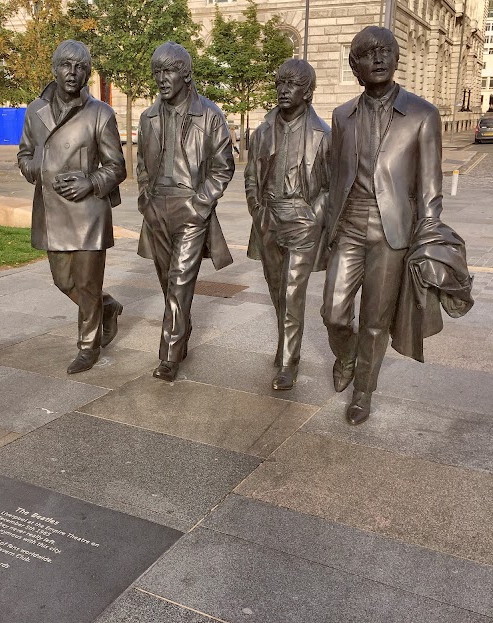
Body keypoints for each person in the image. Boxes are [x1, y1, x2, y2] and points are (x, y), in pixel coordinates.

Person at [322, 26, 444, 424]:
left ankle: (363, 390)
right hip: (350, 225)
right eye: (367, 53)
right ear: (355, 65)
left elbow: (429, 188)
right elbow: (334, 174)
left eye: (385, 51)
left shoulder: (423, 114)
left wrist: (427, 238)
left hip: (394, 232)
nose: (378, 58)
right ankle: (346, 354)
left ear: (396, 58)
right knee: (334, 312)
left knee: (375, 318)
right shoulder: (342, 116)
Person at [18, 40, 126, 374]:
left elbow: (117, 166)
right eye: (66, 64)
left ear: (87, 73)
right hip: (53, 213)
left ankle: (88, 346)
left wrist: (90, 182)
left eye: (80, 67)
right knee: (64, 281)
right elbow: (24, 154)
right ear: (55, 68)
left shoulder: (100, 114)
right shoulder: (35, 111)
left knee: (88, 284)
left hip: (88, 212)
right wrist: (37, 168)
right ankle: (107, 308)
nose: (73, 72)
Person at [136, 41, 235, 382]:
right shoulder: (147, 117)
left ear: (186, 73)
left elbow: (223, 167)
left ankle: (169, 355)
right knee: (168, 284)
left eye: (169, 71)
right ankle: (182, 332)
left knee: (179, 284)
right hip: (157, 209)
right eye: (157, 72)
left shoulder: (210, 115)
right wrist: (144, 201)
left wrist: (201, 203)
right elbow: (141, 166)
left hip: (191, 208)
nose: (162, 79)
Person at [245, 59, 330, 391]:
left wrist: (313, 217)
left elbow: (332, 187)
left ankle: (288, 363)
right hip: (268, 216)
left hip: (302, 219)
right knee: (277, 291)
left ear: (307, 93)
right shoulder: (263, 130)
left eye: (291, 85)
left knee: (293, 292)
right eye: (280, 83)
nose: (282, 90)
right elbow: (251, 176)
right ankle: (286, 344)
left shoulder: (323, 135)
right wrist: (257, 211)